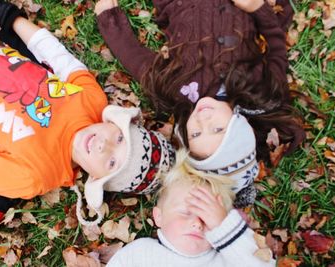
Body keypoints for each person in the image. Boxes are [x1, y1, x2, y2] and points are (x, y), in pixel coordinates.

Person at [0, 0, 175, 234]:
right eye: (120, 139)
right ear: (115, 123)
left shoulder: (35, 175)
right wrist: (8, 16)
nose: (104, 146)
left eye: (112, 163)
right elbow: (54, 53)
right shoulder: (92, 101)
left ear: (96, 178)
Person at [94, 0, 305, 207]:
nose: (204, 120)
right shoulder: (259, 91)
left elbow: (137, 60)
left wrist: (109, 19)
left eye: (196, 134)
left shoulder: (176, 92)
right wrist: (258, 9)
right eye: (218, 129)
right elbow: (277, 51)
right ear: (239, 124)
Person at [106, 150, 276, 267]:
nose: (197, 223)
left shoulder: (227, 260)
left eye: (207, 218)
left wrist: (223, 226)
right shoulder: (140, 253)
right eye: (185, 212)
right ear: (159, 216)